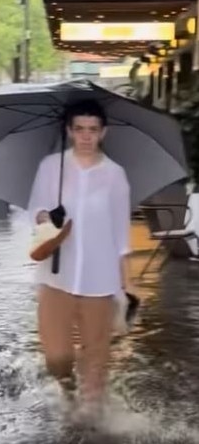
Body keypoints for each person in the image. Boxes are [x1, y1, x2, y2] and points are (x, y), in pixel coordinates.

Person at [27, 99, 133, 420]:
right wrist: (46, 214)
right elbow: (34, 211)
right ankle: (67, 387)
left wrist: (124, 285)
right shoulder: (51, 167)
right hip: (56, 276)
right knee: (57, 355)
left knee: (96, 358)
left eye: (93, 130)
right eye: (79, 129)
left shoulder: (115, 175)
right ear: (69, 131)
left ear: (103, 132)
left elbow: (121, 234)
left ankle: (92, 427)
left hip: (99, 281)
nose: (86, 136)